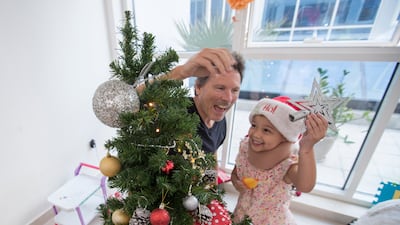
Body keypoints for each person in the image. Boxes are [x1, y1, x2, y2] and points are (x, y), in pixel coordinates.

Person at [231, 96, 328, 225]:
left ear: (284, 136)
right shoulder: (245, 148)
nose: (255, 134)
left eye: (266, 130)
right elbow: (236, 172)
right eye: (254, 125)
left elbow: (305, 186)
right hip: (241, 217)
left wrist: (307, 149)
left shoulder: (286, 165)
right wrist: (236, 182)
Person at [160, 48, 245, 154]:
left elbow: (210, 158)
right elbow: (136, 99)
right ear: (198, 87)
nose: (228, 98)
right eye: (220, 88)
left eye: (235, 90)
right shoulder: (174, 111)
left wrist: (213, 171)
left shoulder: (220, 122)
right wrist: (181, 72)